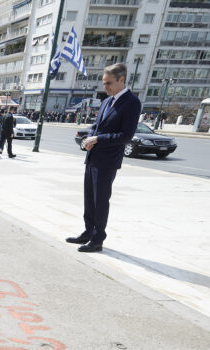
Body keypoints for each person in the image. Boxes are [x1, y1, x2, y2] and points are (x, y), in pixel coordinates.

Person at [67, 62, 141, 253]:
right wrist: (88, 137)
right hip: (93, 157)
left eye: (108, 83)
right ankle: (88, 232)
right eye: (103, 82)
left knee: (100, 200)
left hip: (108, 161)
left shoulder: (132, 103)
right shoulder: (107, 101)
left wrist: (98, 139)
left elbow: (126, 136)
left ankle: (98, 238)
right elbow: (98, 126)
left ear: (121, 80)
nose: (105, 87)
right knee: (89, 199)